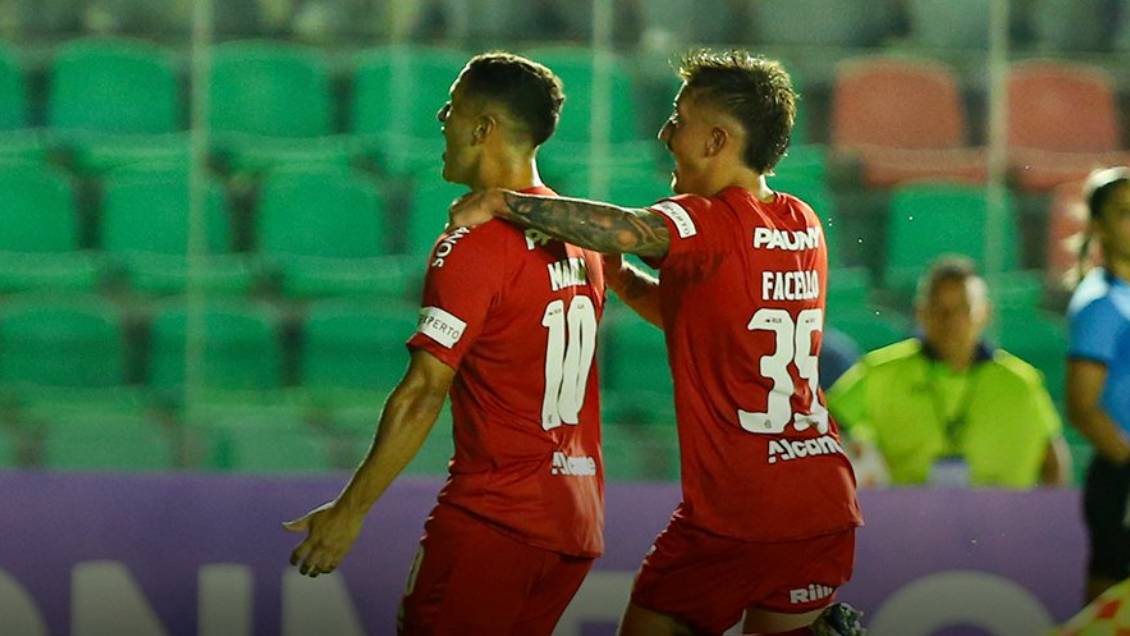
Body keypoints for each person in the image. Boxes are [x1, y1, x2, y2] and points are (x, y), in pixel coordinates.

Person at [451, 49, 863, 636]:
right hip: (824, 501)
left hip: (739, 513)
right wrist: (621, 280)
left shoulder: (712, 218)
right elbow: (706, 322)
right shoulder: (803, 221)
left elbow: (628, 229)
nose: (666, 133)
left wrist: (506, 201)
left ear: (716, 141)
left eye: (679, 119)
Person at [283, 52, 607, 635]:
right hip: (574, 523)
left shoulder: (474, 245)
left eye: (452, 108)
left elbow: (423, 392)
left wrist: (350, 511)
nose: (441, 118)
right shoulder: (581, 240)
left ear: (482, 128)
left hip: (496, 520)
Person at [827, 256, 1071, 489]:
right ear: (921, 313)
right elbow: (825, 425)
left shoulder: (1021, 382)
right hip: (907, 513)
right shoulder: (879, 371)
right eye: (938, 309)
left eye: (963, 309)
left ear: (985, 313)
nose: (950, 320)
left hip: (1000, 515)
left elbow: (1053, 461)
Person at [1066, 166, 1130, 603]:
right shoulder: (1100, 304)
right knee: (1111, 608)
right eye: (1124, 212)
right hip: (1120, 481)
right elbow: (1083, 407)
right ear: (1099, 226)